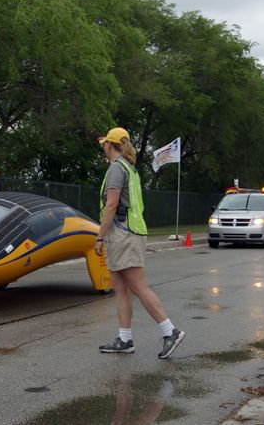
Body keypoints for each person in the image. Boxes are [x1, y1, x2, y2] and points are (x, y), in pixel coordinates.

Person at [95, 127, 185, 359]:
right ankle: (125, 340)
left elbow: (112, 205)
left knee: (138, 286)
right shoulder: (129, 168)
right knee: (121, 288)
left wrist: (99, 236)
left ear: (110, 145)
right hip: (127, 232)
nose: (103, 147)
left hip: (123, 233)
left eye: (105, 143)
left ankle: (170, 331)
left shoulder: (117, 169)